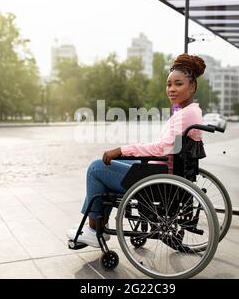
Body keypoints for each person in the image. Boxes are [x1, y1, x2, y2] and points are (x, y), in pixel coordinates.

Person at [66, 54, 206, 247]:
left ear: (192, 87)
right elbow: (166, 146)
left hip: (157, 178)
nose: (171, 89)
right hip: (164, 170)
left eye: (178, 84)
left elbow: (161, 148)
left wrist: (123, 149)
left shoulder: (185, 114)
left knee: (96, 168)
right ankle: (94, 225)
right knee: (109, 164)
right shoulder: (191, 111)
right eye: (169, 84)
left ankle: (93, 229)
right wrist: (126, 152)